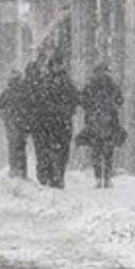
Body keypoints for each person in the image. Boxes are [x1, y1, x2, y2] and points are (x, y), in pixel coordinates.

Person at [27, 50, 80, 189]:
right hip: (48, 122)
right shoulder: (46, 80)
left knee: (61, 151)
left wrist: (67, 109)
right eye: (56, 63)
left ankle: (57, 176)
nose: (58, 66)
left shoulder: (65, 81)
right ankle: (48, 174)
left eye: (60, 63)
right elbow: (37, 99)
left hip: (60, 122)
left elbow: (75, 99)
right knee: (47, 150)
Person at [76, 64, 125, 189]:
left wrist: (91, 107)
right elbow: (120, 100)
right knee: (104, 151)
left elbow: (82, 100)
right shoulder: (109, 86)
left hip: (100, 122)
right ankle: (104, 178)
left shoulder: (94, 85)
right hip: (105, 122)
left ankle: (102, 178)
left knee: (99, 151)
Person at [0, 72, 30, 179]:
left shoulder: (9, 93)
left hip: (15, 124)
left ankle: (16, 169)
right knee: (18, 146)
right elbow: (0, 108)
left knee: (15, 146)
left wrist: (6, 117)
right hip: (17, 124)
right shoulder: (22, 93)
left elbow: (0, 108)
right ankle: (19, 170)